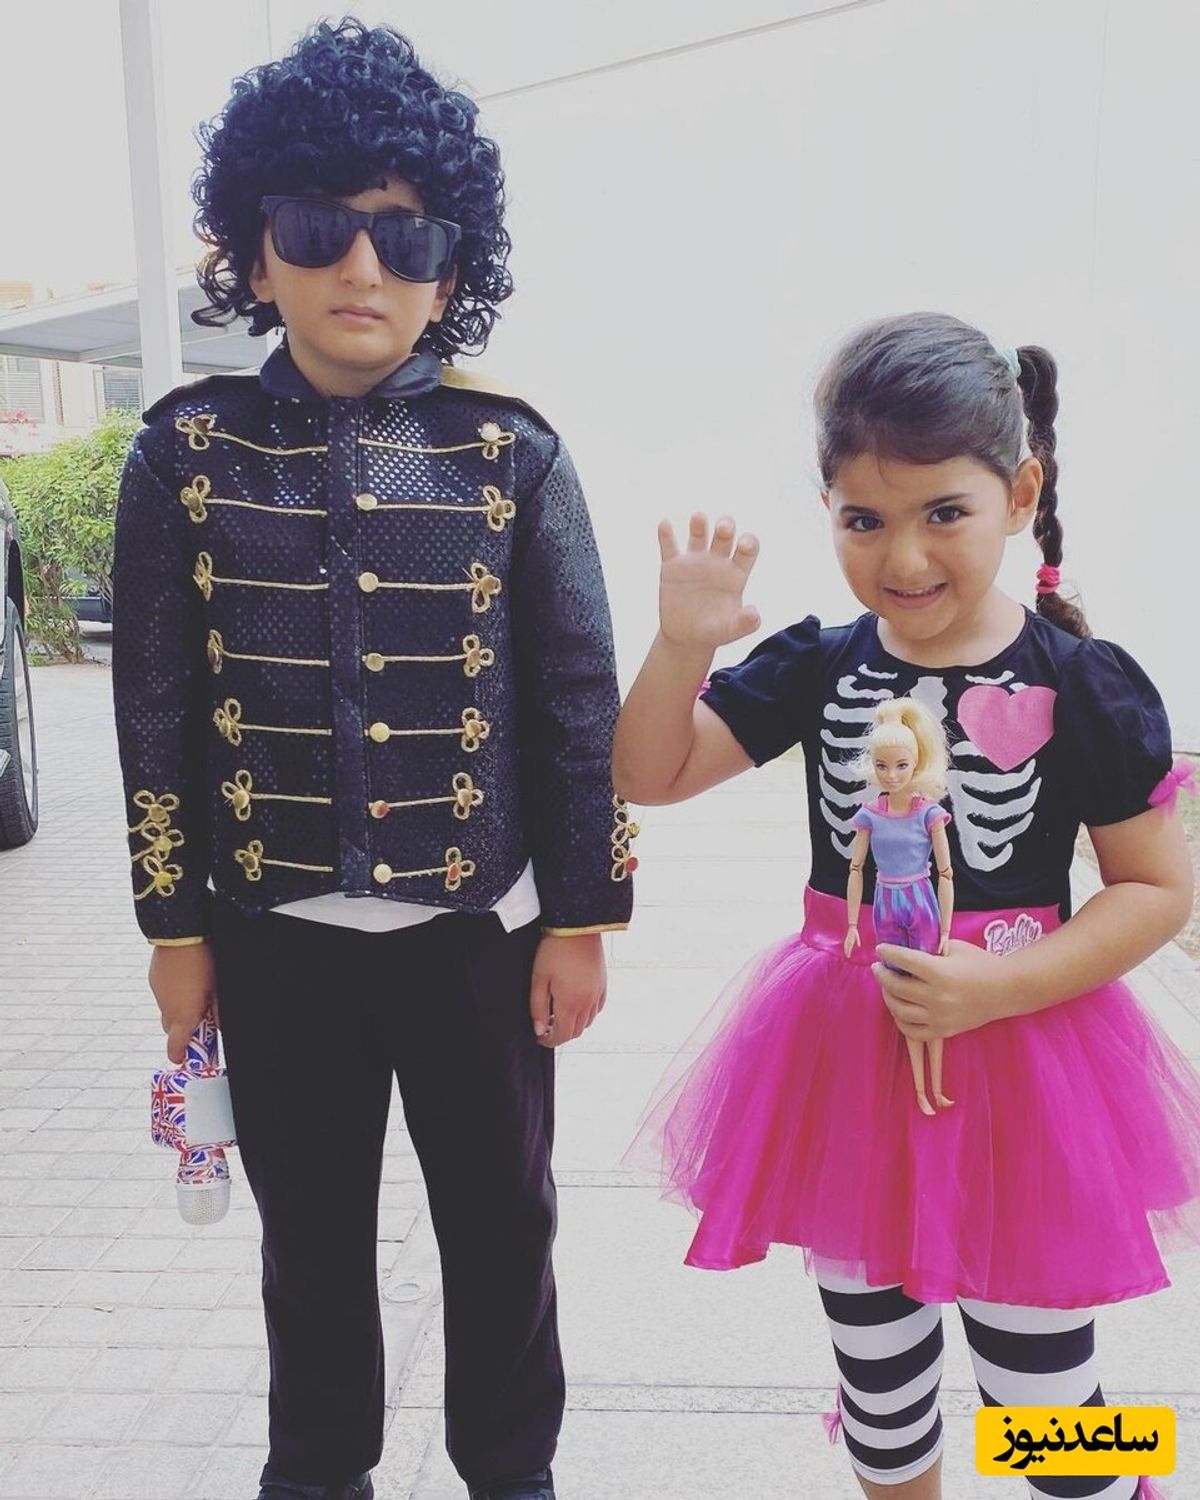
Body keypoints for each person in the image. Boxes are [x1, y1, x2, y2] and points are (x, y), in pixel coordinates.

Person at [112, 21, 634, 1500]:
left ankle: (512, 1475)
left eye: (404, 237)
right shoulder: (183, 452)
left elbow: (577, 701)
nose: (361, 267)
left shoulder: (512, 453)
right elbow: (153, 710)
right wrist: (173, 930)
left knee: (505, 1226)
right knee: (311, 1243)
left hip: (481, 937)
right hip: (272, 938)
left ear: (451, 270)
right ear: (251, 248)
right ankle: (317, 1471)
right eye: (317, 226)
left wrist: (584, 917)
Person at [614, 311, 1197, 1500]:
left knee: (1042, 1398)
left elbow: (1157, 888)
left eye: (944, 513)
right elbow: (650, 773)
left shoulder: (1082, 683)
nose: (905, 556)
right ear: (828, 509)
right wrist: (680, 648)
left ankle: (1126, 1482)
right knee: (880, 1389)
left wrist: (1005, 984)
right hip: (851, 1060)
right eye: (865, 520)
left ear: (1019, 495)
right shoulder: (818, 663)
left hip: (1025, 1058)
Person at [844, 697, 955, 1115]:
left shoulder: (929, 814)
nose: (891, 775)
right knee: (904, 998)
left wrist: (947, 930)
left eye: (901, 765)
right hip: (885, 903)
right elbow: (855, 868)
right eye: (882, 766)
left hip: (920, 900)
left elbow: (946, 872)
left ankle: (938, 1084)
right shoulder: (869, 815)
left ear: (916, 763)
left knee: (929, 995)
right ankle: (921, 1090)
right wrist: (851, 924)